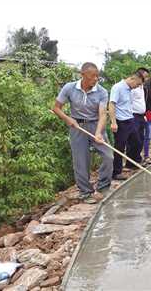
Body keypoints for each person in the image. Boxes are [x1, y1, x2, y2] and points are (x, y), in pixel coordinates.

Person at [52, 62, 113, 201]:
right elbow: (56, 108)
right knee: (81, 161)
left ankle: (103, 187)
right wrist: (68, 119)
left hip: (96, 125)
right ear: (83, 75)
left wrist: (98, 132)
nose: (96, 79)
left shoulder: (102, 92)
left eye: (97, 76)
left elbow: (103, 114)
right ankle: (85, 192)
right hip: (77, 127)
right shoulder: (70, 88)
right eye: (93, 76)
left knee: (108, 156)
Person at [109, 72, 143, 180]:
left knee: (137, 142)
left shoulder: (129, 90)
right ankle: (116, 172)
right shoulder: (117, 87)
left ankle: (131, 163)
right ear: (132, 79)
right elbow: (112, 104)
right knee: (119, 147)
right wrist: (113, 122)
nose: (136, 87)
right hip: (120, 122)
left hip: (130, 119)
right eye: (137, 84)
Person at [126, 67, 150, 168]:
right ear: (139, 75)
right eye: (145, 75)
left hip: (141, 116)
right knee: (134, 140)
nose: (147, 78)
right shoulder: (132, 87)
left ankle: (137, 159)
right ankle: (130, 162)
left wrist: (144, 115)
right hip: (133, 115)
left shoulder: (142, 88)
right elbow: (129, 101)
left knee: (141, 138)